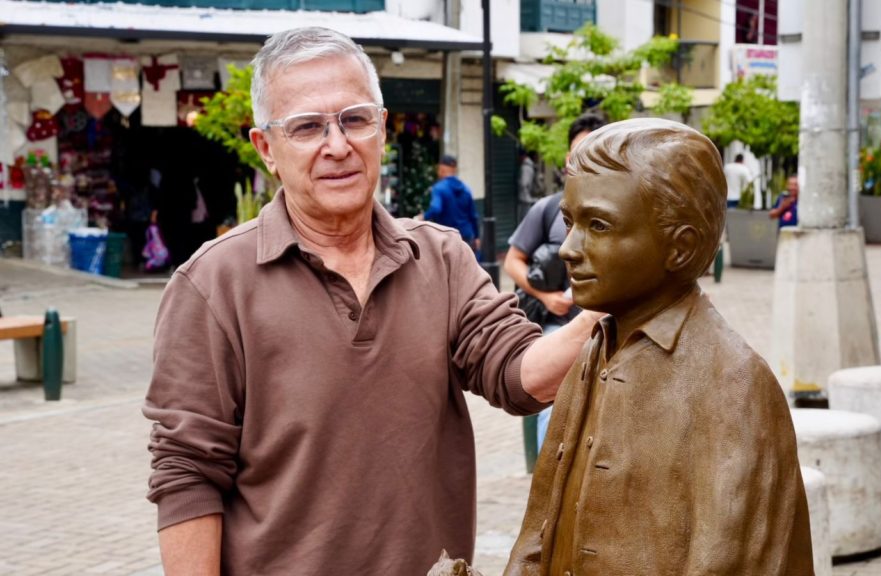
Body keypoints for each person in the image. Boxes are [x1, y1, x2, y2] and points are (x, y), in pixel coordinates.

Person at [142, 27, 599, 575]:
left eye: (355, 118)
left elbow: (520, 373)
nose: (337, 145)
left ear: (382, 128)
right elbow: (188, 474)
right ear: (267, 148)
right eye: (307, 127)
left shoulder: (440, 258)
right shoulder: (213, 285)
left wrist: (611, 300)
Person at [505, 118, 814, 575]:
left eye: (599, 226)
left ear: (680, 248)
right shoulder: (594, 352)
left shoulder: (733, 385)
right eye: (570, 223)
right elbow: (540, 526)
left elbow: (728, 562)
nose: (569, 248)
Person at [504, 112, 607, 452]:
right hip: (559, 325)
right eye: (580, 152)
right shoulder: (547, 210)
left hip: (612, 328)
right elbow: (513, 262)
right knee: (554, 403)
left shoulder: (623, 213)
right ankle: (549, 483)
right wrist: (545, 298)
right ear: (566, 160)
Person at [423, 154, 480, 253]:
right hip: (466, 236)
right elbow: (473, 215)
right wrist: (477, 237)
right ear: (454, 170)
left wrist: (423, 217)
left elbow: (436, 209)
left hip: (448, 237)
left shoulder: (439, 188)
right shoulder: (466, 189)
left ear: (441, 169)